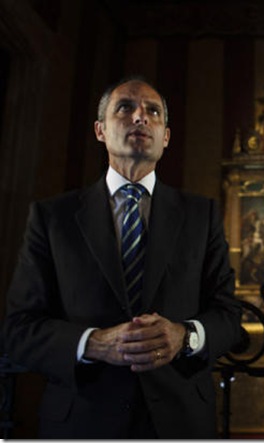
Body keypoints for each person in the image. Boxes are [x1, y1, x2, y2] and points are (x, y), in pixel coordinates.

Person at [3, 76, 242, 438]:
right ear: (100, 130)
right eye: (125, 107)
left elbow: (228, 315)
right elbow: (19, 329)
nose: (140, 117)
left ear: (166, 136)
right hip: (82, 422)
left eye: (153, 111)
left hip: (181, 421)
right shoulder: (52, 218)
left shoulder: (202, 215)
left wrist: (185, 336)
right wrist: (94, 343)